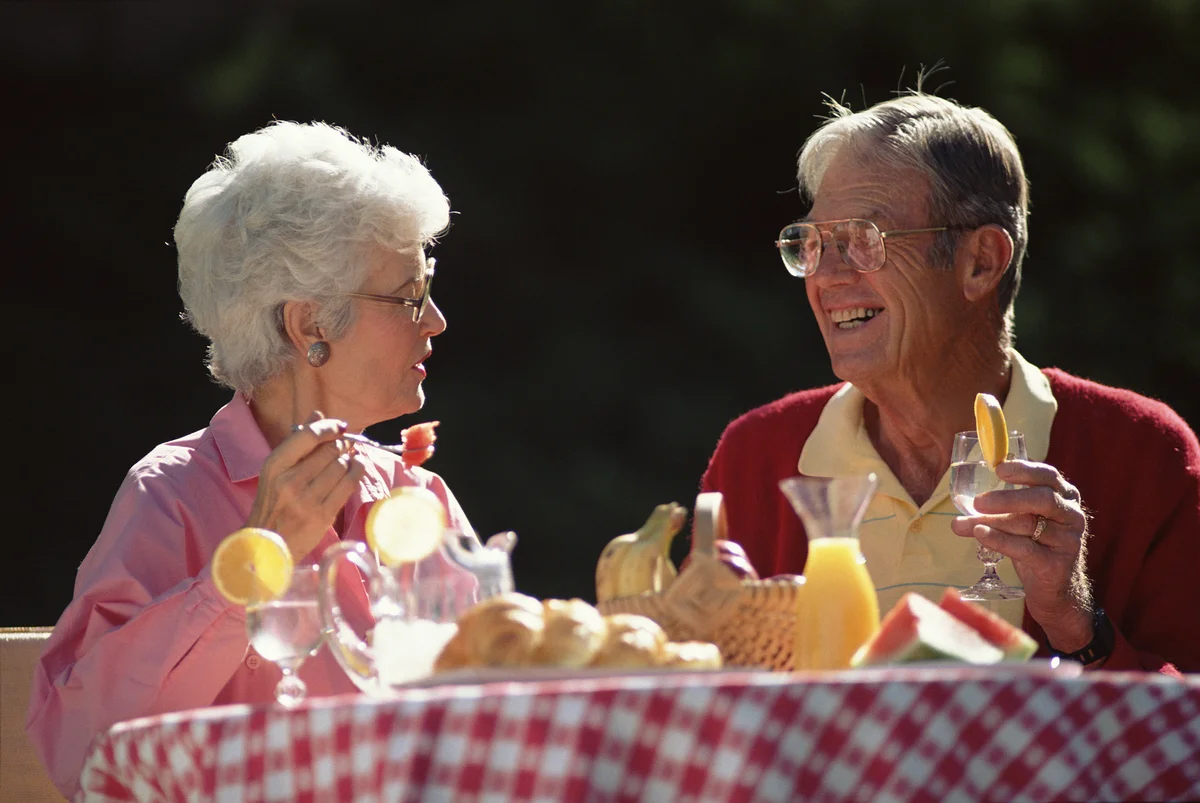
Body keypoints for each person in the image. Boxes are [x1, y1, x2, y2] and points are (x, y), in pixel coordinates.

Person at [26, 121, 475, 796]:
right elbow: (85, 753)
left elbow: (499, 705)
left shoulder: (420, 496)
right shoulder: (170, 491)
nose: (436, 318)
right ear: (308, 324)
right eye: (410, 294)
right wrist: (249, 565)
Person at [700, 90, 1200, 676]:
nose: (828, 275)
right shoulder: (754, 456)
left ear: (981, 262)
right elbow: (705, 709)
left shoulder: (1145, 454)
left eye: (864, 238)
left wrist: (1075, 623)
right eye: (812, 243)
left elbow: (1180, 746)